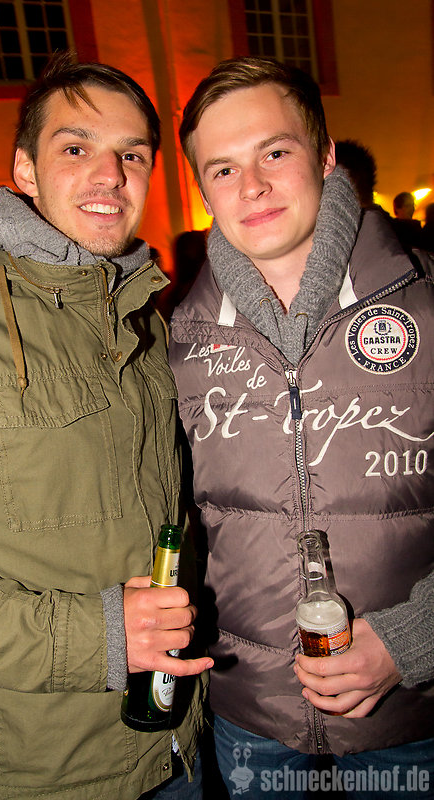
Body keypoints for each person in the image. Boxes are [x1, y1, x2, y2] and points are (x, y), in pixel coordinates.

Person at [0, 52, 212, 800]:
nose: (110, 175)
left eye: (132, 154)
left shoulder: (148, 325)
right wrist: (102, 637)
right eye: (75, 148)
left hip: (182, 744)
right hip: (49, 772)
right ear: (25, 170)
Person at [169, 56, 434, 798]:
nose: (250, 186)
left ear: (324, 156)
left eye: (274, 152)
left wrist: (415, 638)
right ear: (203, 190)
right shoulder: (174, 342)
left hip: (411, 720)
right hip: (250, 721)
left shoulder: (429, 305)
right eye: (223, 169)